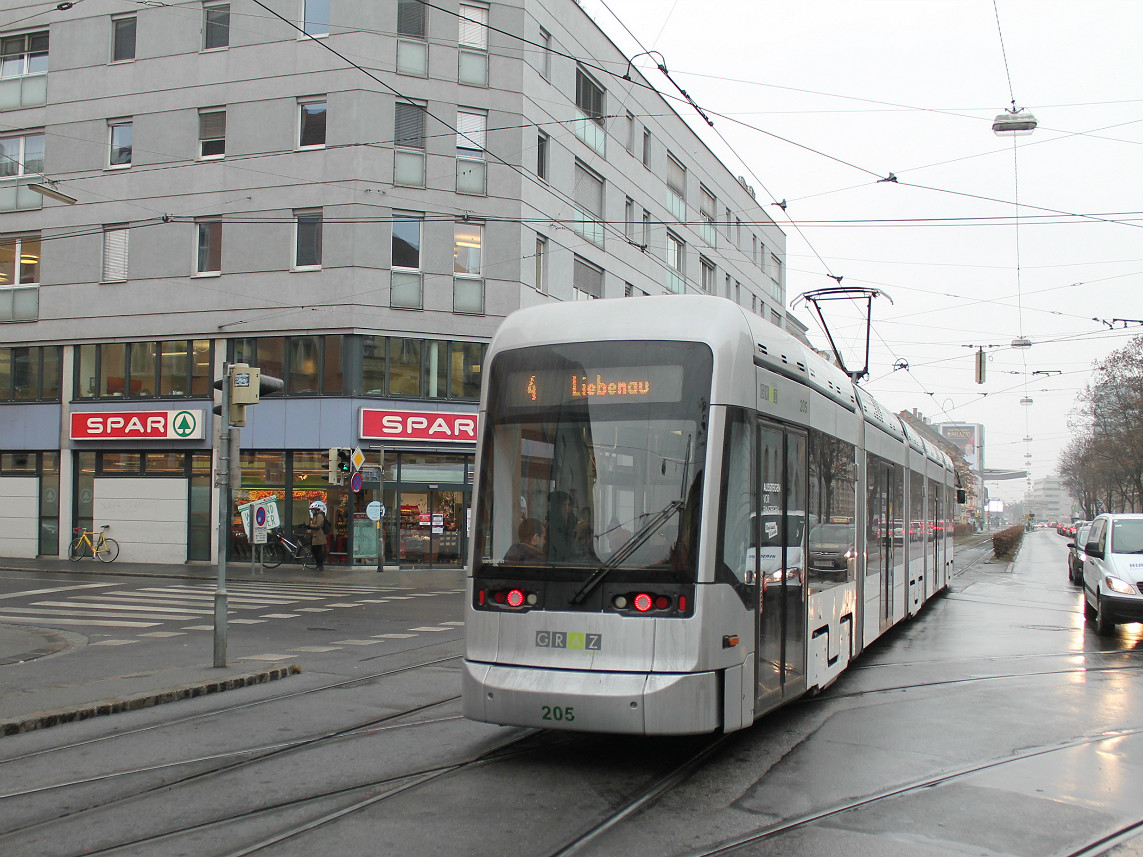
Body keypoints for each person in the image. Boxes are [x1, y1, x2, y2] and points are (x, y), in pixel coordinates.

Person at [546, 491, 575, 560]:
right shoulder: (551, 526)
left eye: (569, 505)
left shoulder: (570, 522)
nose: (567, 508)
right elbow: (564, 552)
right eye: (564, 505)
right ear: (557, 507)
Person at [306, 500, 328, 571]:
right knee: (315, 551)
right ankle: (318, 565)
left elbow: (318, 525)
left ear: (315, 509)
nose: (311, 511)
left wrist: (310, 526)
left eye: (312, 510)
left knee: (318, 552)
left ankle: (320, 566)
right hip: (315, 536)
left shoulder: (319, 516)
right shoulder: (315, 516)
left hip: (318, 537)